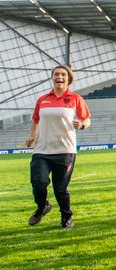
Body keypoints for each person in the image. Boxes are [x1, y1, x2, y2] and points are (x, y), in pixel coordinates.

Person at [26, 65, 91, 229]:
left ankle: (66, 217)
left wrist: (81, 124)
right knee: (38, 183)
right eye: (56, 74)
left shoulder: (75, 98)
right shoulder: (42, 99)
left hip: (65, 151)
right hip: (41, 150)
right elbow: (35, 120)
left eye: (63, 74)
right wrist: (32, 136)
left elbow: (87, 120)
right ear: (52, 77)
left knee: (60, 188)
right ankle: (42, 207)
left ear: (68, 78)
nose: (59, 77)